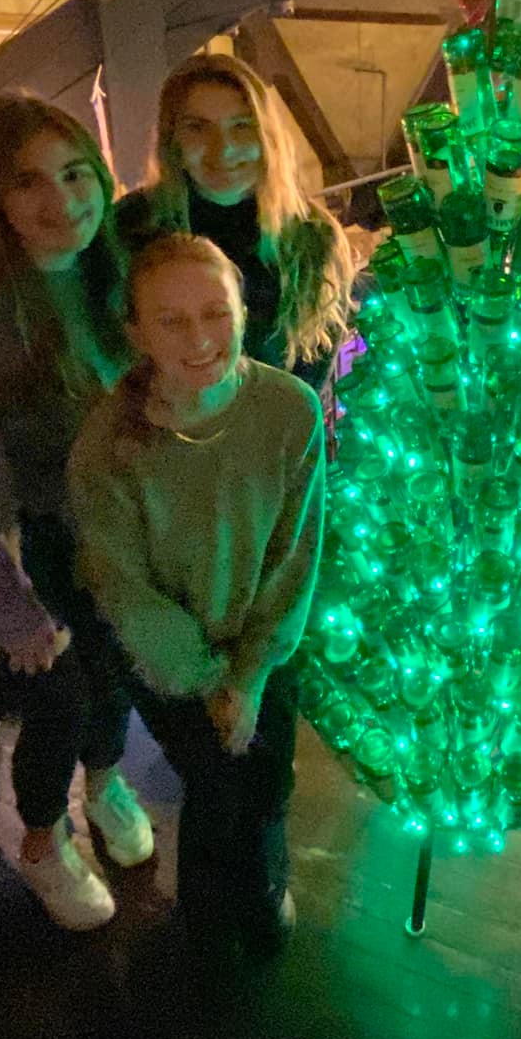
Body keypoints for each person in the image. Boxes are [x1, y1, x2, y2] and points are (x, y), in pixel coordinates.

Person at [0, 94, 153, 932]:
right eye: (29, 182)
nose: (62, 201)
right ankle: (43, 843)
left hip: (83, 524)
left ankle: (106, 781)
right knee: (57, 693)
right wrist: (11, 607)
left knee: (115, 663)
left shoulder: (112, 266)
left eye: (76, 173)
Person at [67, 233, 326, 956]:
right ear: (137, 334)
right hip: (170, 660)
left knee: (268, 778)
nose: (200, 338)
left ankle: (263, 889)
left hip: (262, 645)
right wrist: (213, 683)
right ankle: (207, 920)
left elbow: (295, 552)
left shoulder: (290, 409)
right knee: (214, 787)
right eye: (172, 321)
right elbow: (125, 590)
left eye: (215, 313)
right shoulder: (107, 447)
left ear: (243, 312)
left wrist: (250, 674)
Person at [119, 53, 357, 390]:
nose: (224, 150)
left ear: (268, 137)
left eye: (242, 126)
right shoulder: (130, 227)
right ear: (172, 141)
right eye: (197, 127)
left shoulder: (312, 236)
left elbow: (307, 383)